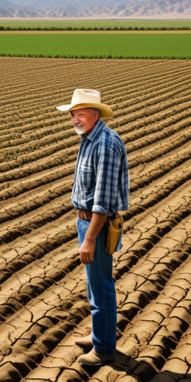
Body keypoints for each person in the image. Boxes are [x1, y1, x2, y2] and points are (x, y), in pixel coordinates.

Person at [57, 88, 129, 366]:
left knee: (101, 286)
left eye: (80, 114)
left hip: (95, 225)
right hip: (85, 221)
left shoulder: (105, 145)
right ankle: (99, 334)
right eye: (73, 114)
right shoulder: (90, 138)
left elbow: (103, 200)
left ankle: (104, 348)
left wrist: (89, 239)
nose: (75, 118)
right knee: (94, 285)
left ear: (96, 114)